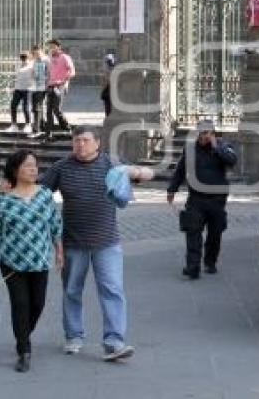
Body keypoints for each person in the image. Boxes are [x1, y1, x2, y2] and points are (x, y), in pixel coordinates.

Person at [39, 125, 154, 361]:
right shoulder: (61, 167)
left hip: (107, 242)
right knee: (71, 291)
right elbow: (40, 192)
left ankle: (114, 342)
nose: (79, 144)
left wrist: (136, 171)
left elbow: (148, 175)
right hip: (73, 242)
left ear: (97, 143)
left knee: (112, 290)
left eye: (84, 140)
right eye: (76, 140)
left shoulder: (112, 165)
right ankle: (73, 336)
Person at [0, 150, 62, 373]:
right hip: (11, 264)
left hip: (39, 262)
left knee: (38, 304)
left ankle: (23, 333)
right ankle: (24, 350)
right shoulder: (2, 199)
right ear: (15, 171)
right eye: (27, 166)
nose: (33, 169)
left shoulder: (45, 194)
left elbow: (55, 226)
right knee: (21, 305)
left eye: (35, 165)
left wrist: (59, 252)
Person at [167, 120, 238, 279]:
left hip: (217, 199)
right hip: (196, 199)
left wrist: (216, 147)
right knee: (193, 231)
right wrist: (172, 189)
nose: (204, 136)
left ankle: (210, 262)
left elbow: (232, 160)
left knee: (215, 233)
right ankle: (192, 267)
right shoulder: (190, 148)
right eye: (202, 133)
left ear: (213, 134)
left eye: (208, 133)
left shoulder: (223, 146)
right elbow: (180, 170)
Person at [45, 39, 75, 143]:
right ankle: (49, 134)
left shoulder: (65, 57)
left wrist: (64, 81)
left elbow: (72, 71)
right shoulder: (49, 59)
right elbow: (49, 72)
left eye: (53, 46)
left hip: (60, 85)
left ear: (58, 47)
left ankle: (66, 127)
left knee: (56, 109)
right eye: (50, 47)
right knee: (48, 110)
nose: (51, 49)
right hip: (50, 86)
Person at [6, 52, 34, 134]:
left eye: (25, 58)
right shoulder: (18, 66)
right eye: (22, 58)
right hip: (18, 89)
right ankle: (14, 125)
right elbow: (15, 77)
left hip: (27, 89)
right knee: (13, 105)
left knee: (25, 107)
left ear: (29, 58)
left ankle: (28, 124)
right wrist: (12, 87)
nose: (23, 60)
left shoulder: (32, 66)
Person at [29, 45, 49, 139]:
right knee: (35, 107)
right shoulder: (35, 61)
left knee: (37, 107)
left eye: (36, 53)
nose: (35, 55)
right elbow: (33, 73)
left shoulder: (46, 60)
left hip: (43, 86)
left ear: (41, 51)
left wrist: (47, 84)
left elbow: (50, 73)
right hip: (35, 87)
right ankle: (42, 126)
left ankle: (36, 130)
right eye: (33, 53)